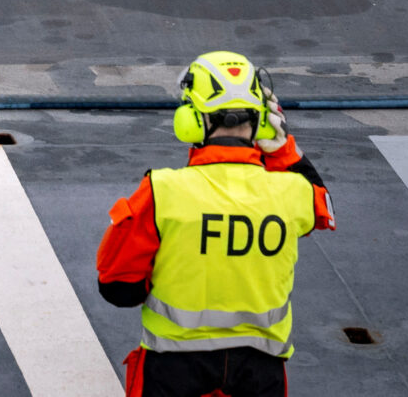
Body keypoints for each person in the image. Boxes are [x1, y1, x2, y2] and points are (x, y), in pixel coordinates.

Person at [96, 51, 335, 397]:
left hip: (173, 371)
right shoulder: (291, 192)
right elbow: (323, 207)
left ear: (191, 120)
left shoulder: (162, 191)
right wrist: (284, 152)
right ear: (264, 122)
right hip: (260, 373)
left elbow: (117, 288)